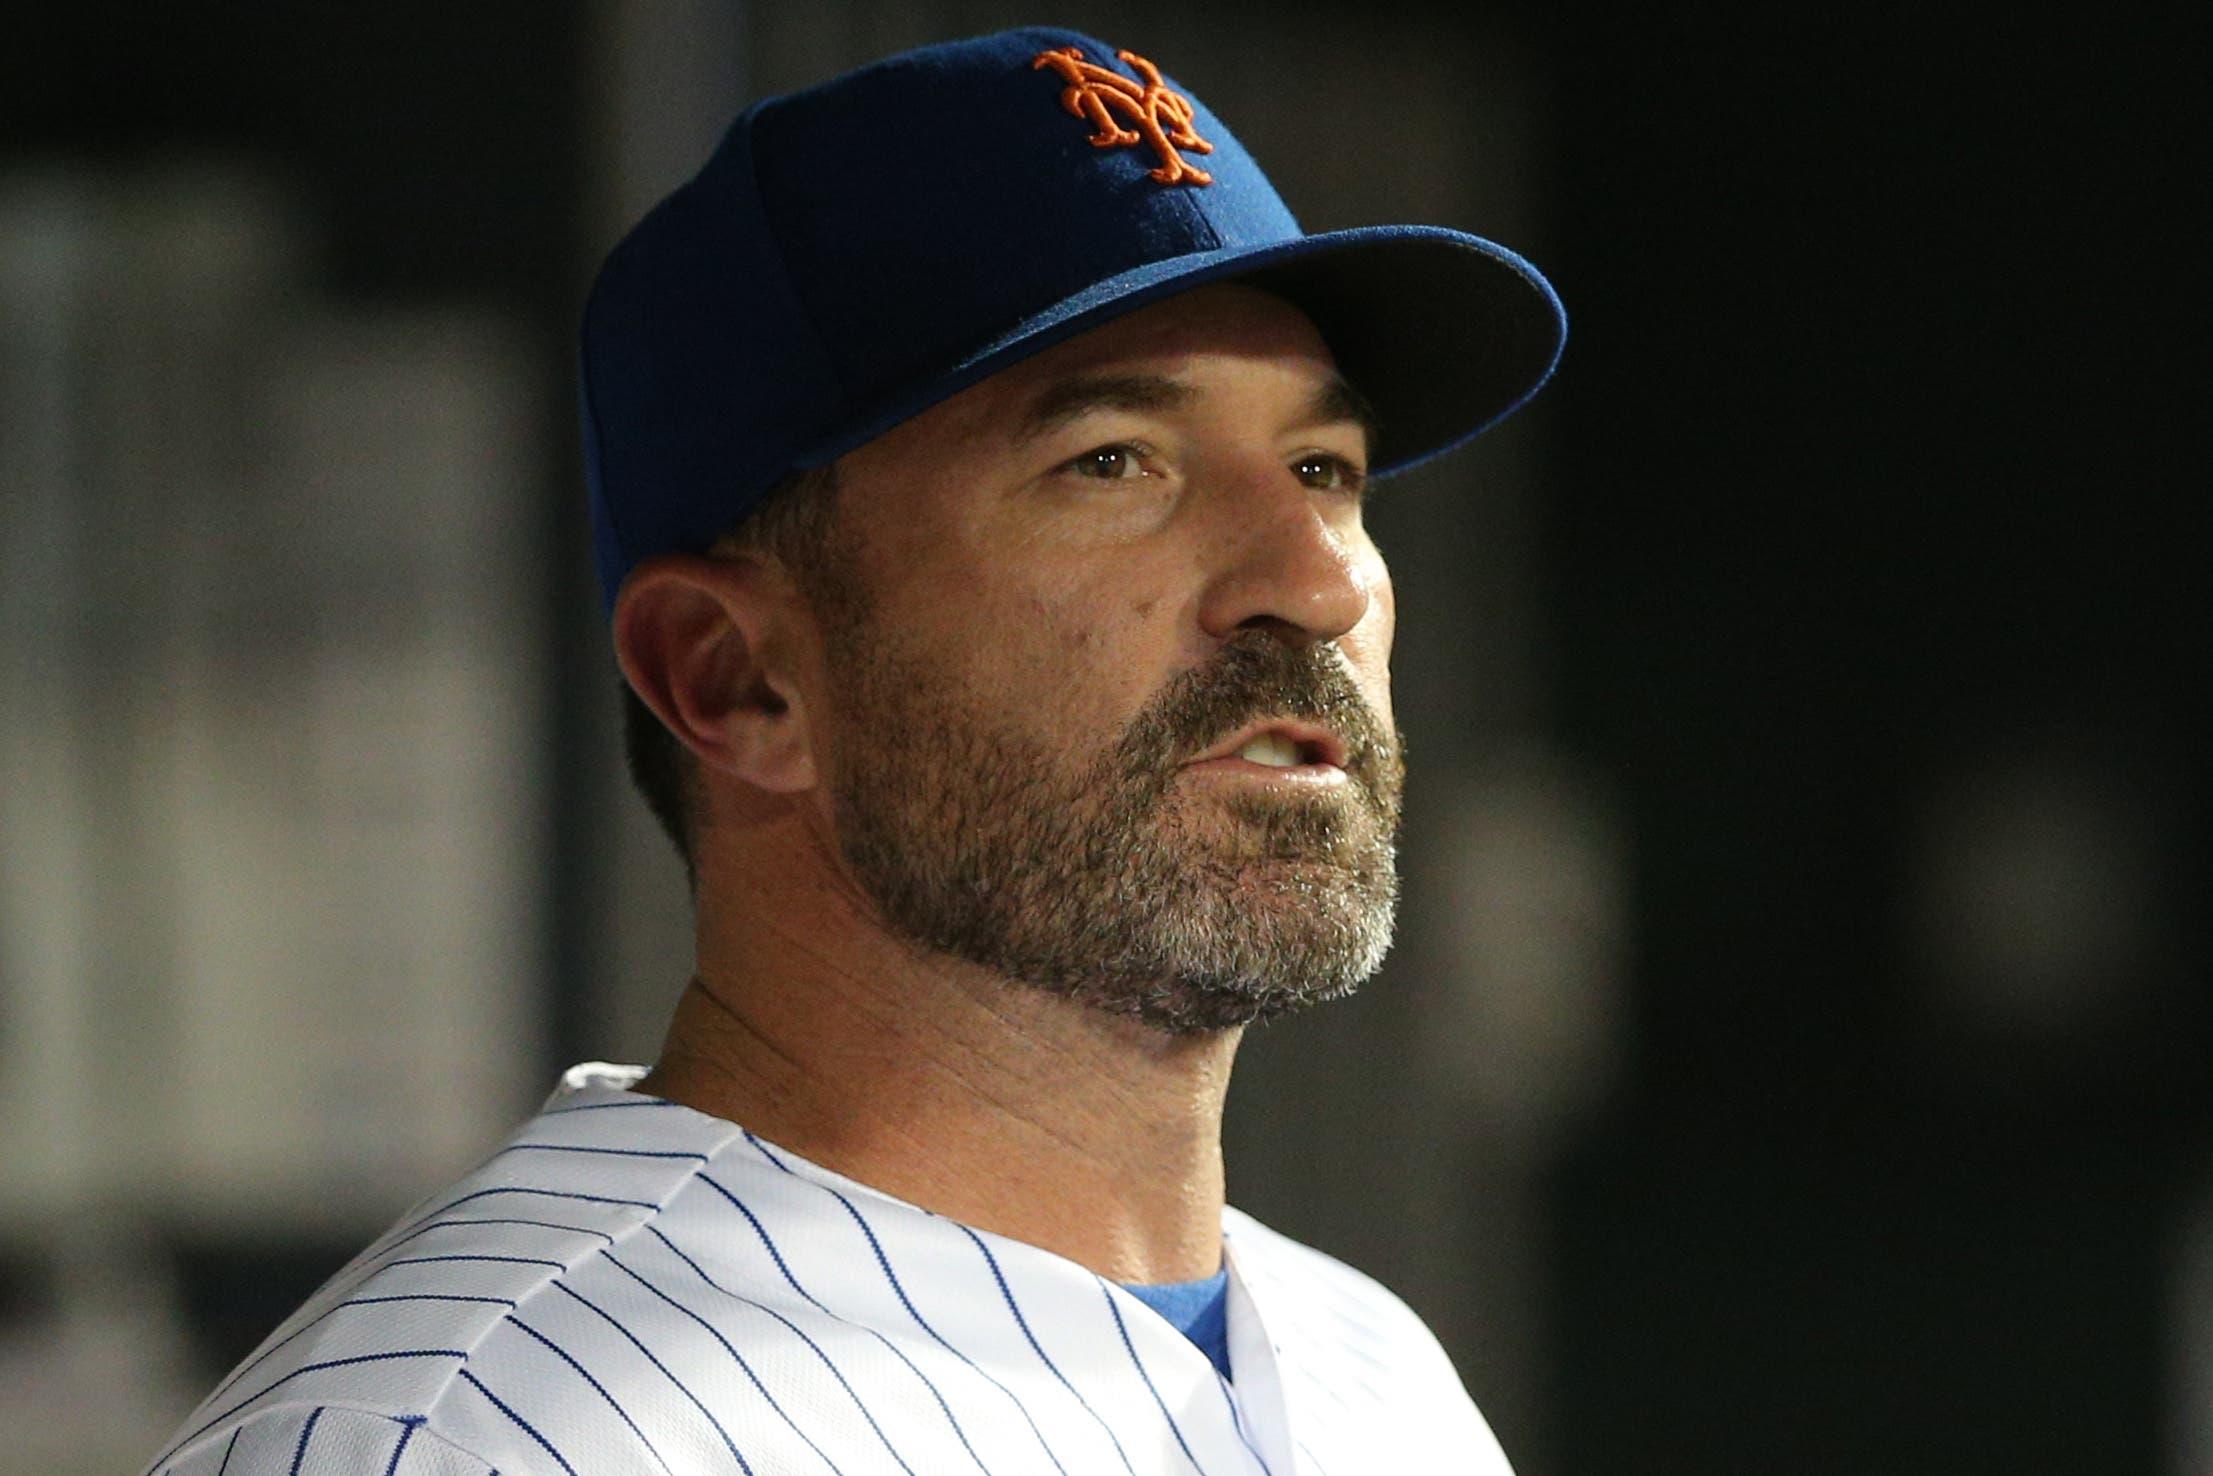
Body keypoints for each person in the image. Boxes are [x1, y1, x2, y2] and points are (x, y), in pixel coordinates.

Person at [144, 26, 1564, 1475]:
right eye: (1112, 462)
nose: (1314, 582)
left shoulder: (1371, 1375)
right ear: (735, 677)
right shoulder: (465, 1442)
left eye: (1324, 469)